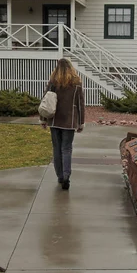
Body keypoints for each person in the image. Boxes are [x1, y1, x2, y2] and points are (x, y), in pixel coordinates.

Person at [41, 58, 85, 190]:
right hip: (69, 121)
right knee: (67, 149)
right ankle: (67, 176)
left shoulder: (53, 82)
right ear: (71, 68)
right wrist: (81, 122)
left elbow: (45, 100)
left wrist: (43, 119)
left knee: (56, 149)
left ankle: (60, 176)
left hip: (54, 120)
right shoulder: (76, 83)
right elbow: (80, 104)